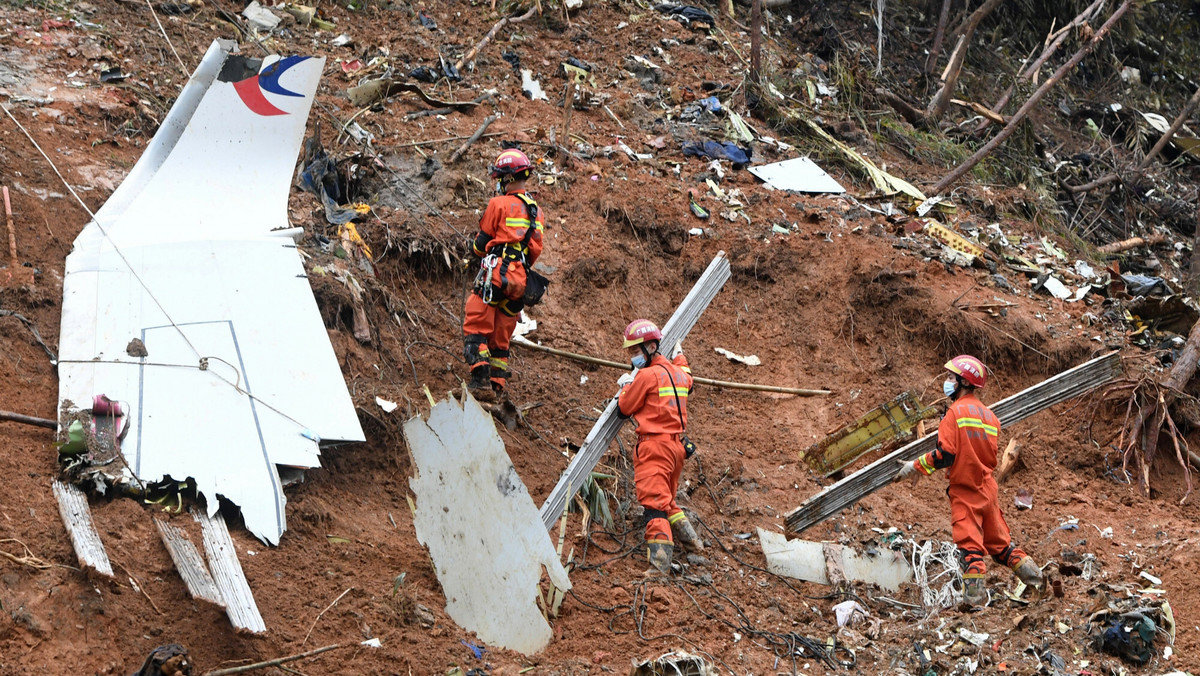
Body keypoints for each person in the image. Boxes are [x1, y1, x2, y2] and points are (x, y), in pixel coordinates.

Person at [896, 355, 1044, 605]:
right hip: (987, 489)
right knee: (1001, 547)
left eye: (951, 378)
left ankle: (973, 602)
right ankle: (1037, 579)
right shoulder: (990, 417)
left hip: (966, 491)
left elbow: (946, 454)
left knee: (971, 550)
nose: (947, 382)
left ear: (964, 382)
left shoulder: (954, 414)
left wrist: (916, 466)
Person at [615, 319, 704, 576]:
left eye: (635, 351)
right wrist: (680, 355)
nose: (632, 358)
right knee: (667, 500)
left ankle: (659, 566)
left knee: (654, 504)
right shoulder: (679, 374)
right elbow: (687, 376)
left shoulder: (646, 376)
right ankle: (693, 543)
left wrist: (625, 386)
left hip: (654, 448)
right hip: (676, 449)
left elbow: (624, 409)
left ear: (651, 347)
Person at [462, 148, 545, 401]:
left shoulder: (497, 204)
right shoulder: (536, 212)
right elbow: (534, 251)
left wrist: (475, 251)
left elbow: (480, 244)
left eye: (499, 178)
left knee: (476, 322)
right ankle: (497, 386)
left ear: (506, 179)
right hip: (520, 280)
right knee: (501, 333)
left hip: (496, 273)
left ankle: (479, 382)